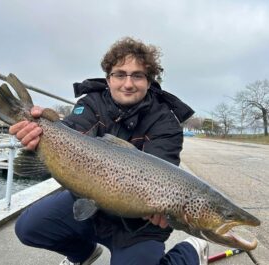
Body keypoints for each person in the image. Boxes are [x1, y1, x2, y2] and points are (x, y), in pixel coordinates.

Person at [11, 37, 209, 265]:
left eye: (137, 75)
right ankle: (83, 254)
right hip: (90, 204)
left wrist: (167, 210)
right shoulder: (91, 103)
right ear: (108, 78)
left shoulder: (166, 121)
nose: (128, 83)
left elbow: (162, 175)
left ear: (149, 81)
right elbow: (71, 133)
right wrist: (39, 134)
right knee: (29, 228)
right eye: (120, 74)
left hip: (139, 226)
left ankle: (190, 251)